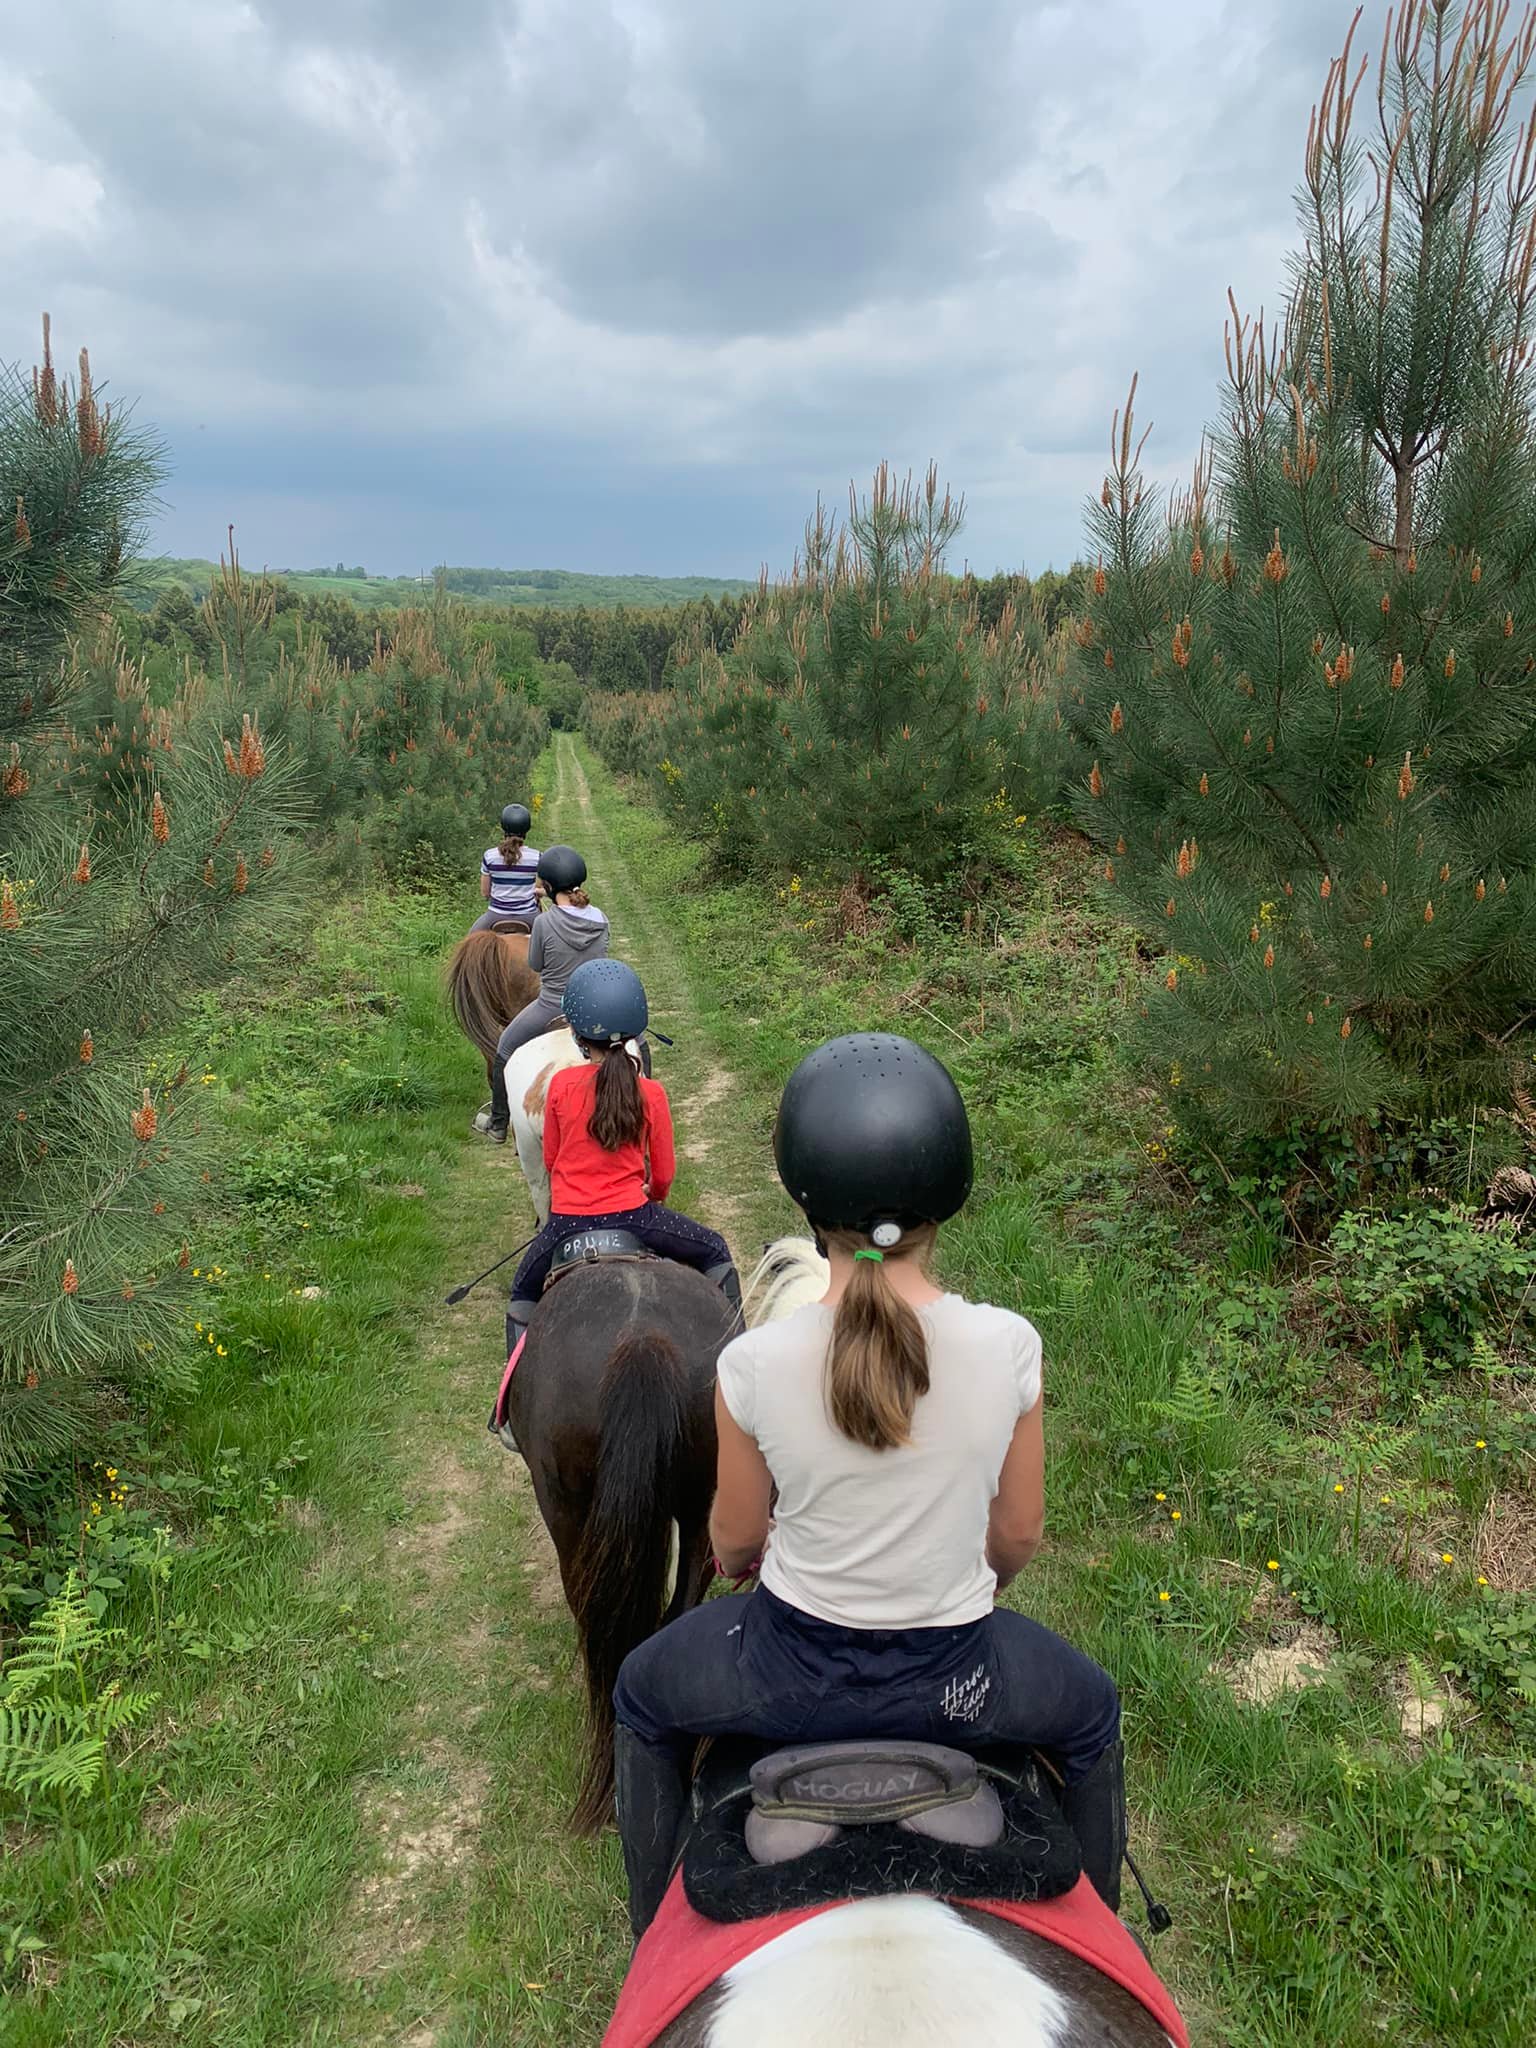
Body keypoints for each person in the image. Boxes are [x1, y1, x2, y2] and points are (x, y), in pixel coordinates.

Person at [609, 1032, 1124, 1940]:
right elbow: (1018, 1536)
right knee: (1092, 1718)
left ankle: (654, 1936)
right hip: (961, 1676)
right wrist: (969, 1584)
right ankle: (1105, 1937)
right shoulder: (1010, 1345)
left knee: (643, 1697)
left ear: (807, 1199)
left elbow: (733, 1543)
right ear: (945, 1197)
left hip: (785, 1673)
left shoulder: (755, 1361)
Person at [504, 958, 742, 1352]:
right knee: (715, 1249)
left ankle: (508, 1410)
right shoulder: (652, 1093)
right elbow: (663, 1175)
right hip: (636, 1217)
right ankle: (738, 1364)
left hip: (565, 1226)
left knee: (520, 1295)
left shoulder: (561, 1085)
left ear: (578, 1035)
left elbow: (550, 1162)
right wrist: (652, 1194)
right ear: (635, 1030)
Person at [482, 845, 609, 1143]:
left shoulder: (544, 922)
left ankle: (499, 1123)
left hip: (552, 1004)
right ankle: (646, 1107)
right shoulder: (601, 918)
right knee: (639, 1046)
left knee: (504, 1048)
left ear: (548, 887)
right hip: (594, 1004)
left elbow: (535, 964)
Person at [469, 803, 540, 932]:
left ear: (504, 828)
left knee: (470, 940)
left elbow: (485, 893)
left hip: (495, 915)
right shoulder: (536, 857)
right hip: (529, 916)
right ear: (526, 830)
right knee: (549, 940)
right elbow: (538, 889)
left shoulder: (489, 856)